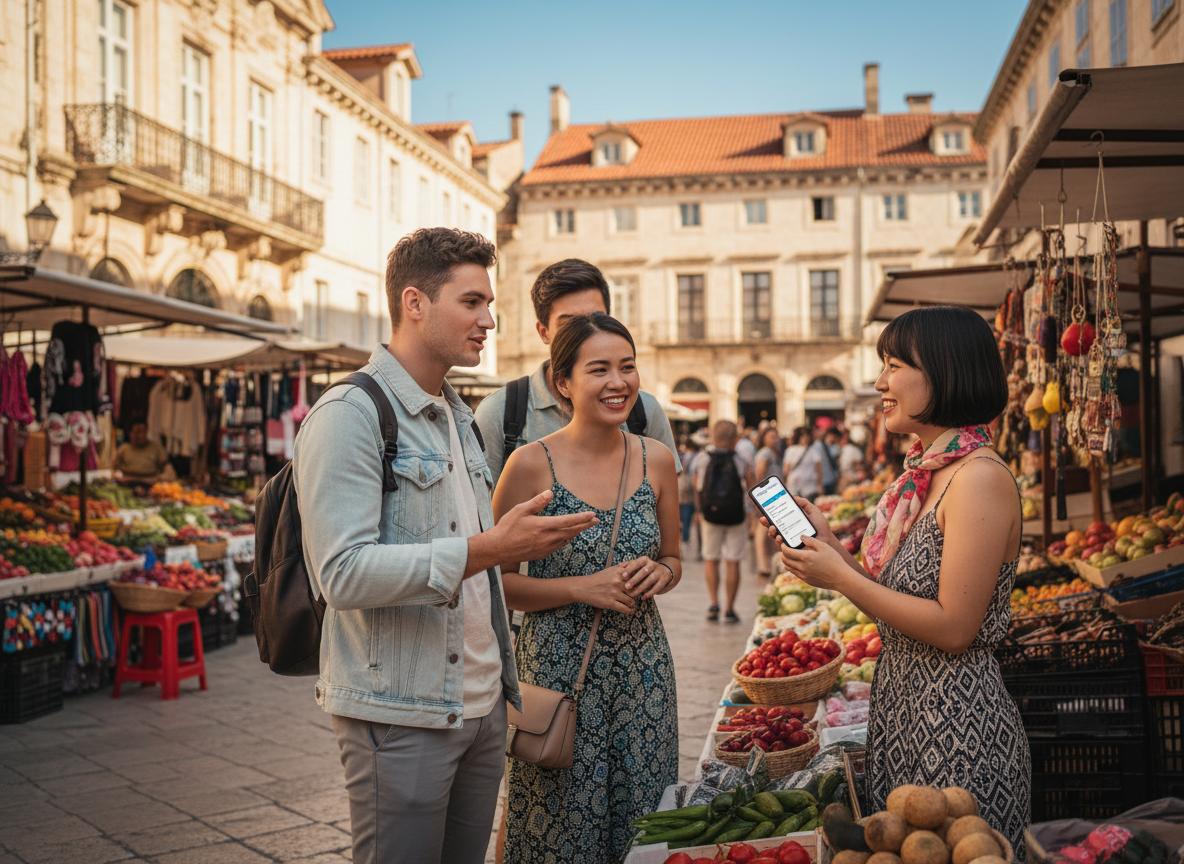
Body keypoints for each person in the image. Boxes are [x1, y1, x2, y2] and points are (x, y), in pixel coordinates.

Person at [292, 228, 598, 864]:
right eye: (472, 302)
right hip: (400, 715)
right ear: (414, 303)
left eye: (489, 304)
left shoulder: (458, 414)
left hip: (482, 706)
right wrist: (488, 549)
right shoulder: (349, 412)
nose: (489, 320)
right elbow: (339, 575)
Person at [763, 305, 1030, 855]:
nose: (881, 382)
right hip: (906, 717)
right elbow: (905, 606)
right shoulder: (927, 476)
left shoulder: (979, 478)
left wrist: (842, 576)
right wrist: (837, 555)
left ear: (945, 371)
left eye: (894, 365)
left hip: (958, 732)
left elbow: (954, 628)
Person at [492, 312, 681, 863]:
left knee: (642, 823)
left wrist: (661, 574)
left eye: (628, 367)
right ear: (563, 382)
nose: (618, 382)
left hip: (643, 672)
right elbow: (494, 580)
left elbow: (673, 559)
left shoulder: (658, 460)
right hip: (557, 672)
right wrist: (580, 588)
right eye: (599, 369)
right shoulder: (529, 464)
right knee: (558, 828)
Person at [474, 259, 679, 483]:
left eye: (597, 319)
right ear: (544, 332)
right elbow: (480, 510)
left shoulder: (644, 411)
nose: (587, 334)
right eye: (568, 324)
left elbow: (666, 502)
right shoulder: (501, 413)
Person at [692, 419, 753, 623]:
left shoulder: (702, 458)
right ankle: (730, 608)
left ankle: (713, 603)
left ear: (713, 436)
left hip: (710, 515)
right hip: (736, 515)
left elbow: (698, 487)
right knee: (733, 561)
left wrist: (699, 511)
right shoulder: (740, 460)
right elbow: (752, 486)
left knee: (711, 558)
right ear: (735, 439)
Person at [752, 427, 783, 579]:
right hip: (767, 496)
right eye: (771, 436)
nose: (775, 439)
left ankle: (769, 563)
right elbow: (759, 473)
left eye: (776, 436)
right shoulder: (765, 453)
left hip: (773, 496)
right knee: (762, 531)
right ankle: (763, 564)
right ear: (764, 438)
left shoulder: (773, 453)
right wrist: (759, 498)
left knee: (768, 530)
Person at [678, 436, 702, 558]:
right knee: (695, 519)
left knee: (684, 519)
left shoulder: (685, 456)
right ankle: (697, 549)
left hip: (684, 492)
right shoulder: (699, 456)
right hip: (694, 490)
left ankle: (683, 545)